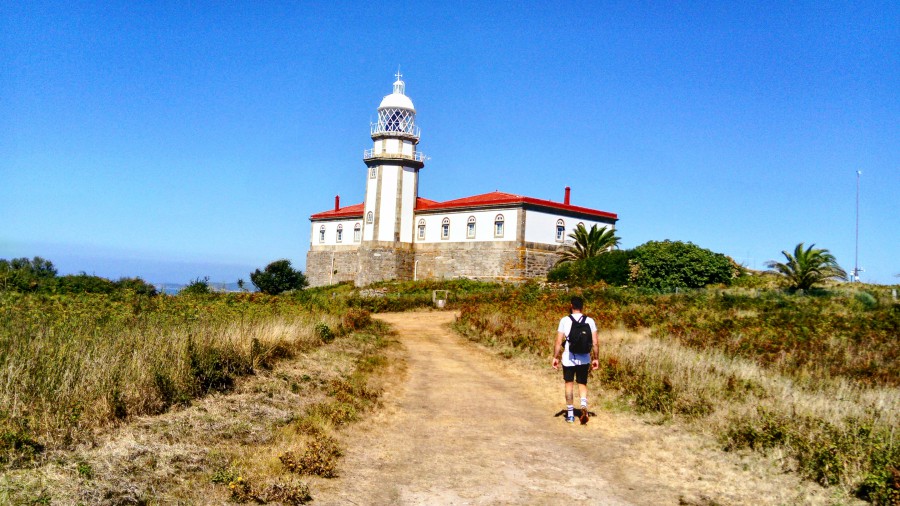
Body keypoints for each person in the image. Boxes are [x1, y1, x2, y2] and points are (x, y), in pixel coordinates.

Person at [551, 296, 599, 424]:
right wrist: (596, 359)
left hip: (568, 358)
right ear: (582, 307)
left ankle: (571, 414)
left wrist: (555, 357)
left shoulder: (565, 320)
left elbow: (558, 341)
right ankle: (583, 405)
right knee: (582, 383)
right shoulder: (590, 321)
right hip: (584, 358)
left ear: (571, 305)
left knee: (569, 384)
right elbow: (595, 343)